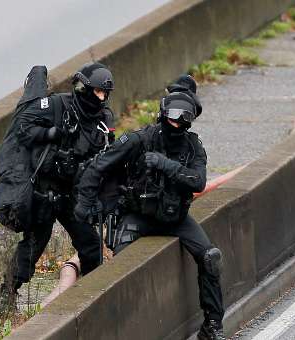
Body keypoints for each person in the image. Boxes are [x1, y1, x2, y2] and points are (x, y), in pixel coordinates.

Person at [74, 81, 225, 340]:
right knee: (125, 269)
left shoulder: (193, 147)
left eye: (182, 119)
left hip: (176, 218)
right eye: (172, 117)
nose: (176, 123)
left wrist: (165, 164)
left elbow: (198, 181)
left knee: (210, 258)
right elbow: (97, 167)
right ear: (163, 114)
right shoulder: (139, 140)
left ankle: (212, 325)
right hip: (138, 216)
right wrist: (84, 206)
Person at [0, 62, 116, 311]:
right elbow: (23, 128)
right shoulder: (56, 105)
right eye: (97, 92)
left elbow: (106, 156)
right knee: (34, 244)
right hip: (44, 189)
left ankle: (92, 293)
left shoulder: (103, 120)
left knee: (90, 243)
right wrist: (53, 133)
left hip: (71, 191)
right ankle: (7, 292)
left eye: (105, 93)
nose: (101, 98)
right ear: (84, 88)